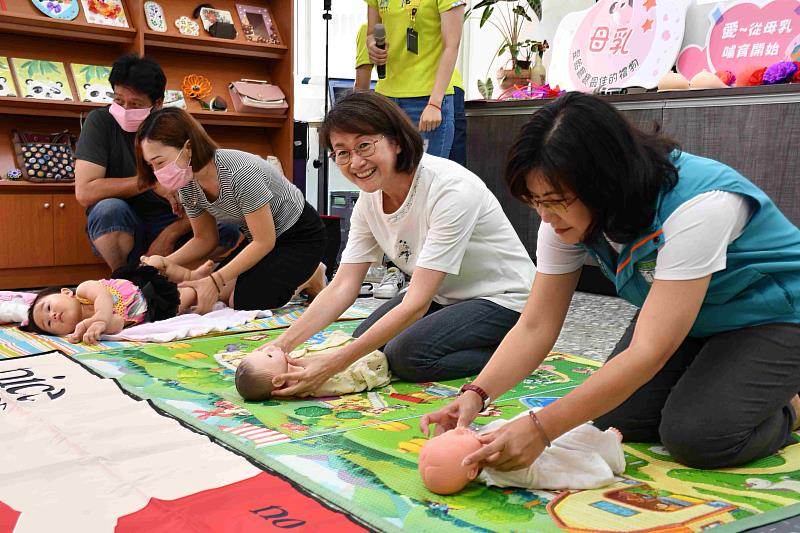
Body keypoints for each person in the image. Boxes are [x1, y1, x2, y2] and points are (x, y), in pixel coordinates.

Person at [421, 92, 800, 471]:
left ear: (604, 182)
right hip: (694, 315)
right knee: (615, 416)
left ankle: (793, 404)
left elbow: (650, 349)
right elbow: (536, 325)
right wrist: (476, 393)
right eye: (535, 201)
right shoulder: (566, 217)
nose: (545, 215)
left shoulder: (698, 206)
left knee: (699, 436)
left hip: (775, 315)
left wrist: (541, 428)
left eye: (554, 201)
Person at [255, 91, 535, 397]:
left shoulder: (450, 189)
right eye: (342, 152)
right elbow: (342, 286)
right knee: (366, 339)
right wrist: (279, 347)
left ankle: (522, 349)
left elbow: (416, 304)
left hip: (504, 298)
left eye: (364, 145)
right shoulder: (369, 200)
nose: (355, 162)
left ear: (396, 141)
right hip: (446, 295)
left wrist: (332, 365)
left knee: (406, 357)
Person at [136, 108, 328, 313]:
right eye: (152, 166)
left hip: (299, 235)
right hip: (260, 237)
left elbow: (265, 241)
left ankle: (311, 274)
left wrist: (215, 279)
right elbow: (205, 239)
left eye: (160, 163)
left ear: (188, 147)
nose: (158, 173)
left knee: (244, 301)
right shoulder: (187, 182)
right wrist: (162, 263)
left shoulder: (239, 173)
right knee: (223, 294)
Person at [74, 54, 240, 271]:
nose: (125, 110)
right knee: (108, 210)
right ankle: (125, 277)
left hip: (174, 221)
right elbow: (85, 192)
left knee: (226, 226)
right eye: (118, 100)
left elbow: (210, 196)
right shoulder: (100, 122)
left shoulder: (175, 125)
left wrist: (170, 234)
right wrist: (150, 181)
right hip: (124, 222)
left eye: (135, 104)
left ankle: (174, 276)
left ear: (158, 104)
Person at [355, 23, 467, 166]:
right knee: (448, 169)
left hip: (429, 96)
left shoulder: (369, 30)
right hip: (446, 89)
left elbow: (361, 88)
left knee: (409, 168)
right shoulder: (424, 19)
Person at [20, 264, 207, 343]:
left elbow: (103, 296)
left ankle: (191, 275)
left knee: (159, 267)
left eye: (49, 307)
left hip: (141, 286)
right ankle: (197, 287)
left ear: (66, 292)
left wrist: (100, 318)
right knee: (184, 298)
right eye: (49, 324)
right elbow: (118, 323)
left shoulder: (84, 290)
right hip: (152, 308)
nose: (52, 316)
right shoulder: (86, 328)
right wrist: (96, 326)